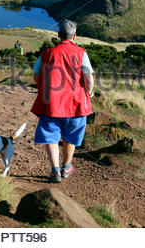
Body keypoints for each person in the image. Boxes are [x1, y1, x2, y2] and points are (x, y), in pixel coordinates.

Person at [31, 20, 94, 183]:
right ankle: (66, 167)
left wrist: (43, 89)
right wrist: (90, 91)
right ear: (74, 36)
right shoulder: (81, 53)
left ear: (58, 35)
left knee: (50, 136)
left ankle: (55, 171)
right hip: (76, 105)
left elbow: (36, 75)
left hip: (51, 103)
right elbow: (88, 76)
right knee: (70, 137)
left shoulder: (47, 53)